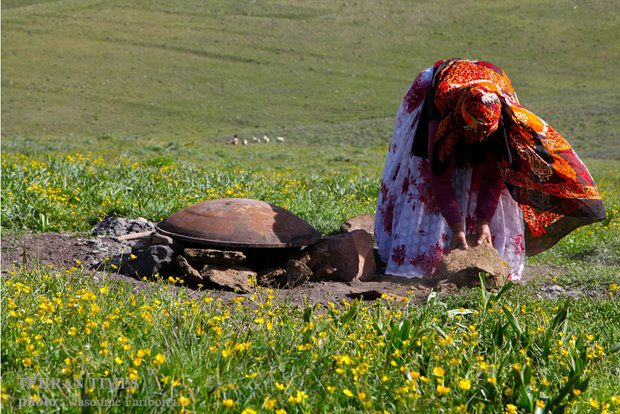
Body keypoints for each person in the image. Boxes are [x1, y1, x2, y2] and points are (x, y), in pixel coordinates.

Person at [375, 58, 606, 280]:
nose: (478, 139)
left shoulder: (500, 125)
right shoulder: (441, 119)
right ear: (460, 124)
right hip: (441, 88)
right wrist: (457, 227)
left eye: (484, 135)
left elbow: (493, 178)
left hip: (493, 85)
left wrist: (484, 222)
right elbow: (440, 176)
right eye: (472, 134)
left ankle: (479, 236)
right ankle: (432, 250)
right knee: (425, 177)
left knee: (488, 168)